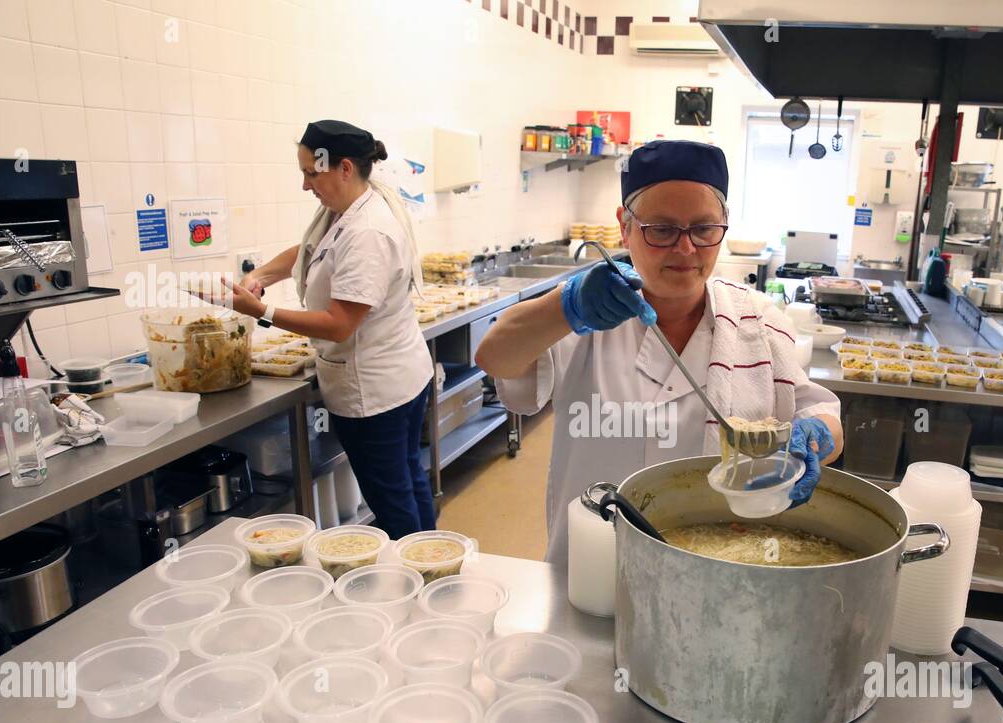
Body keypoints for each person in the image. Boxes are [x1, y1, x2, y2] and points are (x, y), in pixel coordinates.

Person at [476, 139, 844, 566]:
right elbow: (495, 357)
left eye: (704, 229)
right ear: (625, 226)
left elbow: (823, 417)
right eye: (662, 230)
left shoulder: (756, 321)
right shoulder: (584, 316)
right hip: (593, 564)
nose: (685, 249)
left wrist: (813, 436)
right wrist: (565, 306)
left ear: (723, 225)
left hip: (714, 566)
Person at [200, 119, 436, 538]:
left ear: (345, 168)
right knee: (409, 480)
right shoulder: (351, 207)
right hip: (401, 375)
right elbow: (313, 249)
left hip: (375, 391)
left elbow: (340, 325)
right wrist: (264, 276)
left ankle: (415, 583)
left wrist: (261, 310)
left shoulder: (368, 231)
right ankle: (428, 561)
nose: (306, 185)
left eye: (312, 173)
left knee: (392, 499)